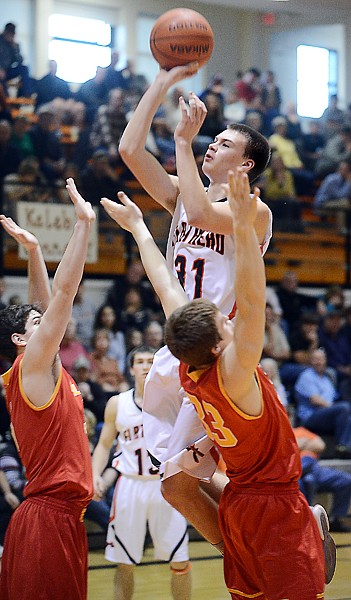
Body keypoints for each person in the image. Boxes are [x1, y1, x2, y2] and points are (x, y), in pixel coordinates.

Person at [100, 168, 332, 597]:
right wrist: (244, 227)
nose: (230, 324)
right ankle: (301, 527)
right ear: (216, 345)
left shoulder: (189, 372)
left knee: (179, 486)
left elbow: (165, 282)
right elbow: (251, 296)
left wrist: (137, 228)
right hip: (277, 507)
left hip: (240, 506)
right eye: (224, 327)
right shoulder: (237, 369)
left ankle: (235, 548)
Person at [118, 62, 272, 545]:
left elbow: (206, 212)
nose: (212, 143)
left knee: (179, 482)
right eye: (214, 139)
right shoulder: (188, 196)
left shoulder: (253, 210)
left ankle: (265, 545)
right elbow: (128, 149)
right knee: (176, 483)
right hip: (176, 346)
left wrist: (183, 142)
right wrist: (161, 83)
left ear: (246, 165)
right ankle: (278, 534)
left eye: (225, 143)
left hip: (217, 352)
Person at [0, 178, 95, 600]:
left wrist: (35, 251)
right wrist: (82, 225)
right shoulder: (32, 367)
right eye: (36, 327)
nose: (49, 326)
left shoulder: (39, 366)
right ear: (20, 341)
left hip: (61, 518)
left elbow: (43, 304)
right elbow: (62, 296)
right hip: (46, 519)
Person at [92, 345, 191, 600]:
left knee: (180, 561)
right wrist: (94, 474)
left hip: (165, 486)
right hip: (130, 486)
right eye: (141, 361)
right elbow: (104, 444)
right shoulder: (117, 403)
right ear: (132, 367)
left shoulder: (175, 399)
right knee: (124, 562)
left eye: (151, 361)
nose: (146, 365)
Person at [294, 348, 351, 459]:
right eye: (315, 359)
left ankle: (345, 449)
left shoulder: (327, 378)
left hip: (326, 416)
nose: (318, 362)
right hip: (310, 417)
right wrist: (335, 408)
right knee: (344, 407)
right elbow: (315, 400)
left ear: (326, 360)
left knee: (347, 414)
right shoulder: (306, 376)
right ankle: (342, 446)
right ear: (310, 361)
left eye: (320, 359)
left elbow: (334, 398)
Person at [294, 426, 351, 532]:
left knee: (346, 481)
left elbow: (320, 445)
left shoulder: (301, 431)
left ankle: (336, 520)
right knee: (308, 480)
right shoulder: (280, 433)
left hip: (314, 468)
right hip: (297, 466)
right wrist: (306, 444)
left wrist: (298, 445)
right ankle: (306, 520)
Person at [0, 23, 33, 98]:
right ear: (5, 32)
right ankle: (6, 100)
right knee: (1, 80)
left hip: (8, 71)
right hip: (0, 72)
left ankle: (27, 93)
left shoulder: (14, 45)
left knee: (24, 68)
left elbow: (20, 61)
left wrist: (15, 48)